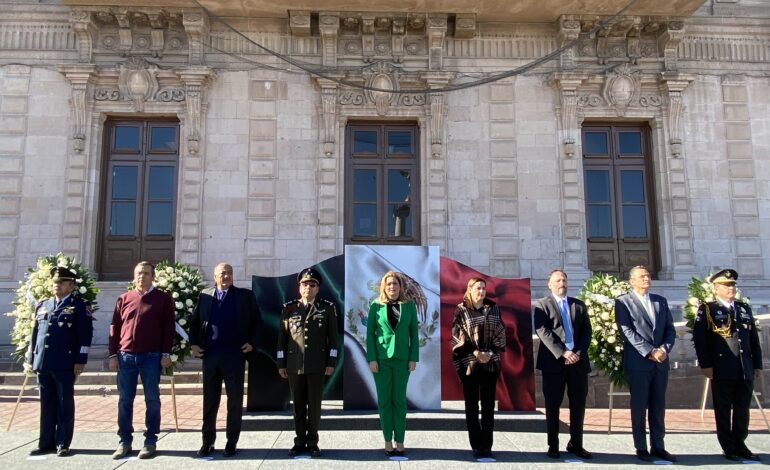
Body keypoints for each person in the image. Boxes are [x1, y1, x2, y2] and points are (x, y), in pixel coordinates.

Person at [190, 262, 261, 458]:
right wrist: (193, 343)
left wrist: (252, 342)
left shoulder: (244, 296)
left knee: (235, 401)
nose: (226, 276)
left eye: (229, 273)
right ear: (215, 277)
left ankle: (231, 442)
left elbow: (257, 321)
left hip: (234, 356)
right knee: (210, 401)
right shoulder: (205, 296)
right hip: (210, 356)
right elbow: (195, 321)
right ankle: (207, 442)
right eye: (222, 273)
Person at [693, 268, 762, 462]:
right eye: (726, 285)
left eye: (732, 285)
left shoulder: (743, 308)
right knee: (723, 409)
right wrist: (705, 365)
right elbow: (701, 339)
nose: (731, 288)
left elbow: (753, 338)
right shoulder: (708, 309)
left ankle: (740, 444)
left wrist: (756, 363)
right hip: (722, 366)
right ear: (716, 288)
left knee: (742, 408)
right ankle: (728, 446)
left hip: (743, 366)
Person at [108, 261, 174, 460]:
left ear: (153, 276)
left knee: (152, 399)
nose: (141, 277)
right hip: (126, 356)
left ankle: (150, 440)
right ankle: (124, 441)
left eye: (146, 273)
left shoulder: (162, 299)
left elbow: (168, 328)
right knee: (125, 400)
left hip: (151, 357)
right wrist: (113, 354)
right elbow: (115, 327)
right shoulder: (124, 298)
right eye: (138, 273)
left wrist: (165, 353)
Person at [24, 267, 93, 457]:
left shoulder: (79, 306)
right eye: (55, 282)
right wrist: (31, 358)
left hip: (65, 362)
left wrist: (81, 359)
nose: (57, 285)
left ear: (71, 285)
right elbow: (35, 334)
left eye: (61, 282)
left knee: (64, 403)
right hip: (44, 363)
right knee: (46, 403)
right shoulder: (43, 305)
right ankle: (45, 442)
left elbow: (85, 336)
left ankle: (62, 442)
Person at [615, 265, 676, 462]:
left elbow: (670, 330)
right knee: (639, 406)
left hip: (660, 363)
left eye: (648, 276)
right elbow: (627, 331)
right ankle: (641, 447)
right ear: (632, 281)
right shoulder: (623, 302)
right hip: (639, 362)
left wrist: (664, 349)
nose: (646, 279)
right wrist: (649, 351)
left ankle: (658, 445)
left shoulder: (660, 301)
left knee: (658, 406)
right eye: (642, 276)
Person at [277, 268, 339, 458]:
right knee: (297, 406)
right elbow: (282, 339)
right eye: (305, 285)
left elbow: (333, 340)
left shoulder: (327, 308)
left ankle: (312, 442)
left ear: (318, 289)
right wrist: (281, 363)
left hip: (317, 365)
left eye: (312, 285)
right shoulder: (289, 308)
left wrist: (331, 362)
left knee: (314, 406)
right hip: (294, 364)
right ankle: (299, 441)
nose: (308, 288)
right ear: (299, 287)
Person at [534, 269, 592, 460]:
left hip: (577, 363)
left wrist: (577, 353)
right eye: (558, 281)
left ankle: (576, 444)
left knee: (578, 405)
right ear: (549, 284)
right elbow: (543, 331)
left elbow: (586, 333)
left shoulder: (579, 305)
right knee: (552, 405)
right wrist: (563, 352)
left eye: (564, 280)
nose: (562, 284)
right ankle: (553, 445)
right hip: (554, 363)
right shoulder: (542, 306)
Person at [451, 277, 506, 460]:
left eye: (483, 288)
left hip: (490, 363)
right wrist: (476, 353)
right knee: (472, 406)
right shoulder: (461, 309)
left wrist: (489, 353)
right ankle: (476, 445)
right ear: (470, 289)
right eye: (477, 288)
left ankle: (487, 446)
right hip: (470, 365)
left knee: (489, 406)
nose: (481, 291)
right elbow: (458, 336)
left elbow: (500, 332)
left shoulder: (493, 308)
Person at [366, 271, 419, 457]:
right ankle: (388, 441)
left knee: (399, 401)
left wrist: (413, 358)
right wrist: (372, 359)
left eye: (395, 284)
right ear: (383, 287)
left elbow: (414, 334)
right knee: (384, 401)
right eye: (388, 284)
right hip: (381, 360)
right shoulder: (376, 306)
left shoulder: (409, 306)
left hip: (402, 360)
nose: (392, 287)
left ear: (400, 287)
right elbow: (370, 334)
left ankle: (400, 441)